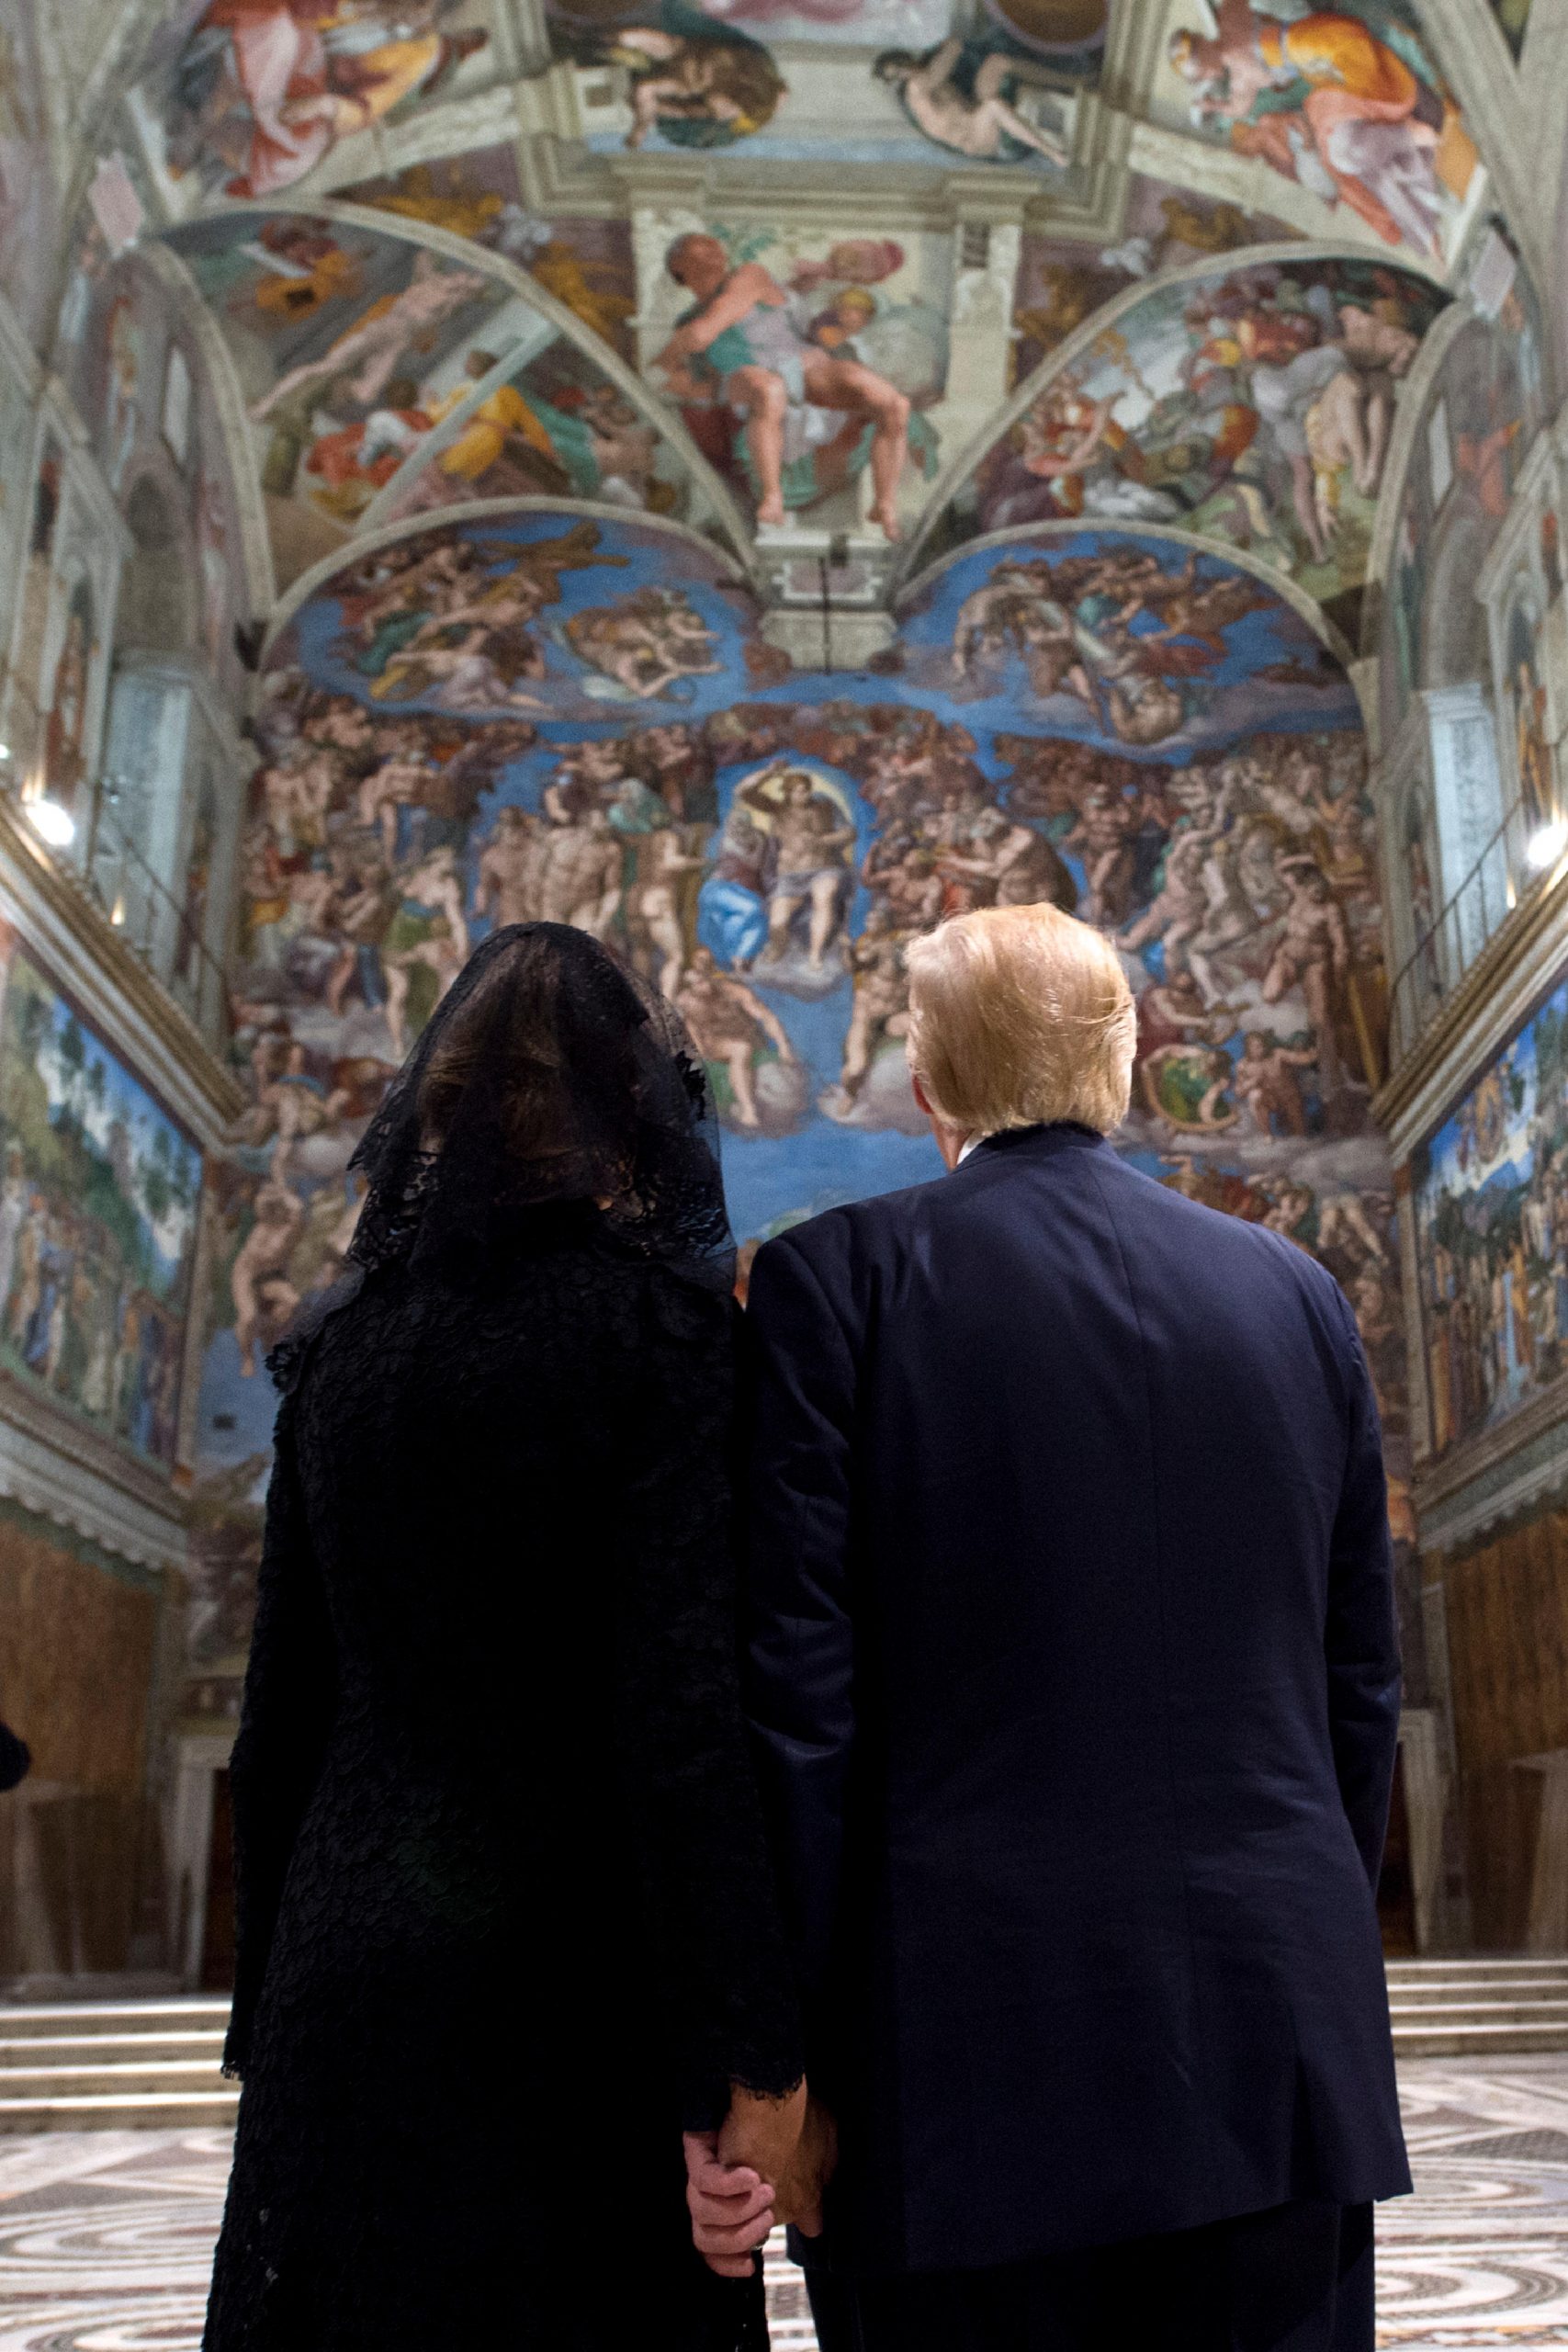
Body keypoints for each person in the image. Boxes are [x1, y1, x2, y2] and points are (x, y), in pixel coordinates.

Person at [694, 900, 1410, 2347]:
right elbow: (1356, 1687)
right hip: (1277, 2046)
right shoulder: (1299, 1295)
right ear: (1129, 1063)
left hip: (960, 2063)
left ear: (930, 1080)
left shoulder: (837, 1285)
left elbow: (800, 1702)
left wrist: (781, 2063)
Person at [204, 926, 806, 2351]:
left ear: (438, 1108)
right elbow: (679, 1722)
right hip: (575, 1993)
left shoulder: (340, 1349)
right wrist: (740, 2058)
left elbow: (280, 1710)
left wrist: (264, 2010)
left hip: (340, 1975)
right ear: (633, 1114)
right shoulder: (657, 1334)